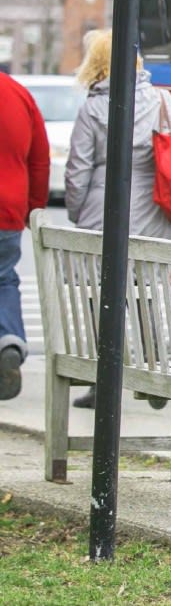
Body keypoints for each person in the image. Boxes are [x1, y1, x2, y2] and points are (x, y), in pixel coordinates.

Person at [65, 30, 171, 408]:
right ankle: (155, 372)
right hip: (152, 212)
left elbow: (78, 170)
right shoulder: (163, 101)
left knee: (102, 299)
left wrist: (77, 211)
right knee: (151, 293)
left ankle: (102, 381)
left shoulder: (93, 108)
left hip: (101, 215)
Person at [0, 71, 49, 401]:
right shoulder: (18, 93)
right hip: (8, 209)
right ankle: (10, 340)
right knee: (3, 279)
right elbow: (40, 159)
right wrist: (34, 206)